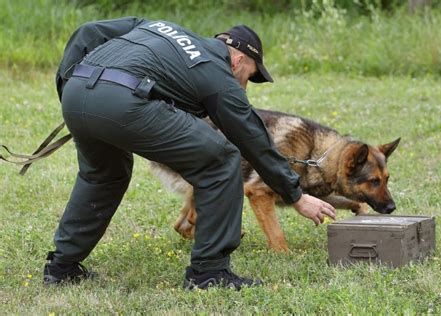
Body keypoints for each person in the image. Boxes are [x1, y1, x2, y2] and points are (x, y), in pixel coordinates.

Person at [44, 17, 336, 290]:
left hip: (77, 91)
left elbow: (89, 32)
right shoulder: (214, 68)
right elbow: (251, 136)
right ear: (238, 60)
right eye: (249, 77)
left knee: (104, 175)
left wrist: (70, 85)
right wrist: (295, 194)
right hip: (124, 102)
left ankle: (62, 267)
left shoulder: (157, 26)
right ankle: (209, 272)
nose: (245, 88)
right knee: (221, 159)